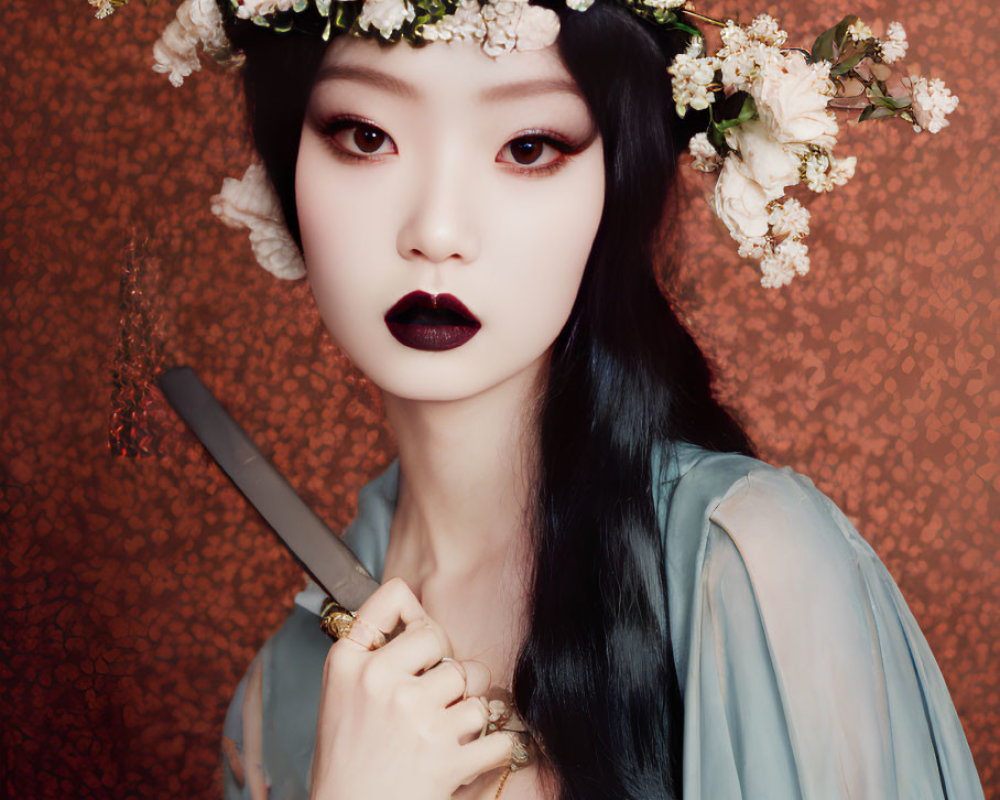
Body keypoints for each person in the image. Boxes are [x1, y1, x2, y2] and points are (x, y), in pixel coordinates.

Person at [142, 1, 985, 798]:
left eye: (528, 147)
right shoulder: (281, 698)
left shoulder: (746, 563)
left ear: (616, 186)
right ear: (288, 165)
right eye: (366, 135)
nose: (436, 231)